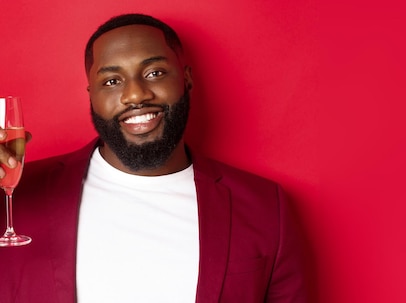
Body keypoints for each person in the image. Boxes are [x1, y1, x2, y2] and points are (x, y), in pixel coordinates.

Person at [0, 13, 307, 302]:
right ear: (91, 93)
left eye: (154, 73)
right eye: (111, 81)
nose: (135, 95)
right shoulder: (14, 197)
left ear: (186, 78)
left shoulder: (266, 208)